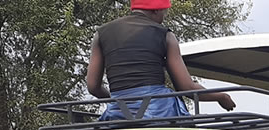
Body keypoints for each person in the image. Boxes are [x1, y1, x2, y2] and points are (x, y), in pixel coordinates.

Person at [86, 0, 236, 121]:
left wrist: (118, 102)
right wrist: (221, 97)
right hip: (158, 110)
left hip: (117, 114)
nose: (164, 17)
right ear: (156, 10)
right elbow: (186, 88)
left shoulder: (101, 34)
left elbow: (93, 87)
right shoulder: (165, 35)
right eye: (164, 12)